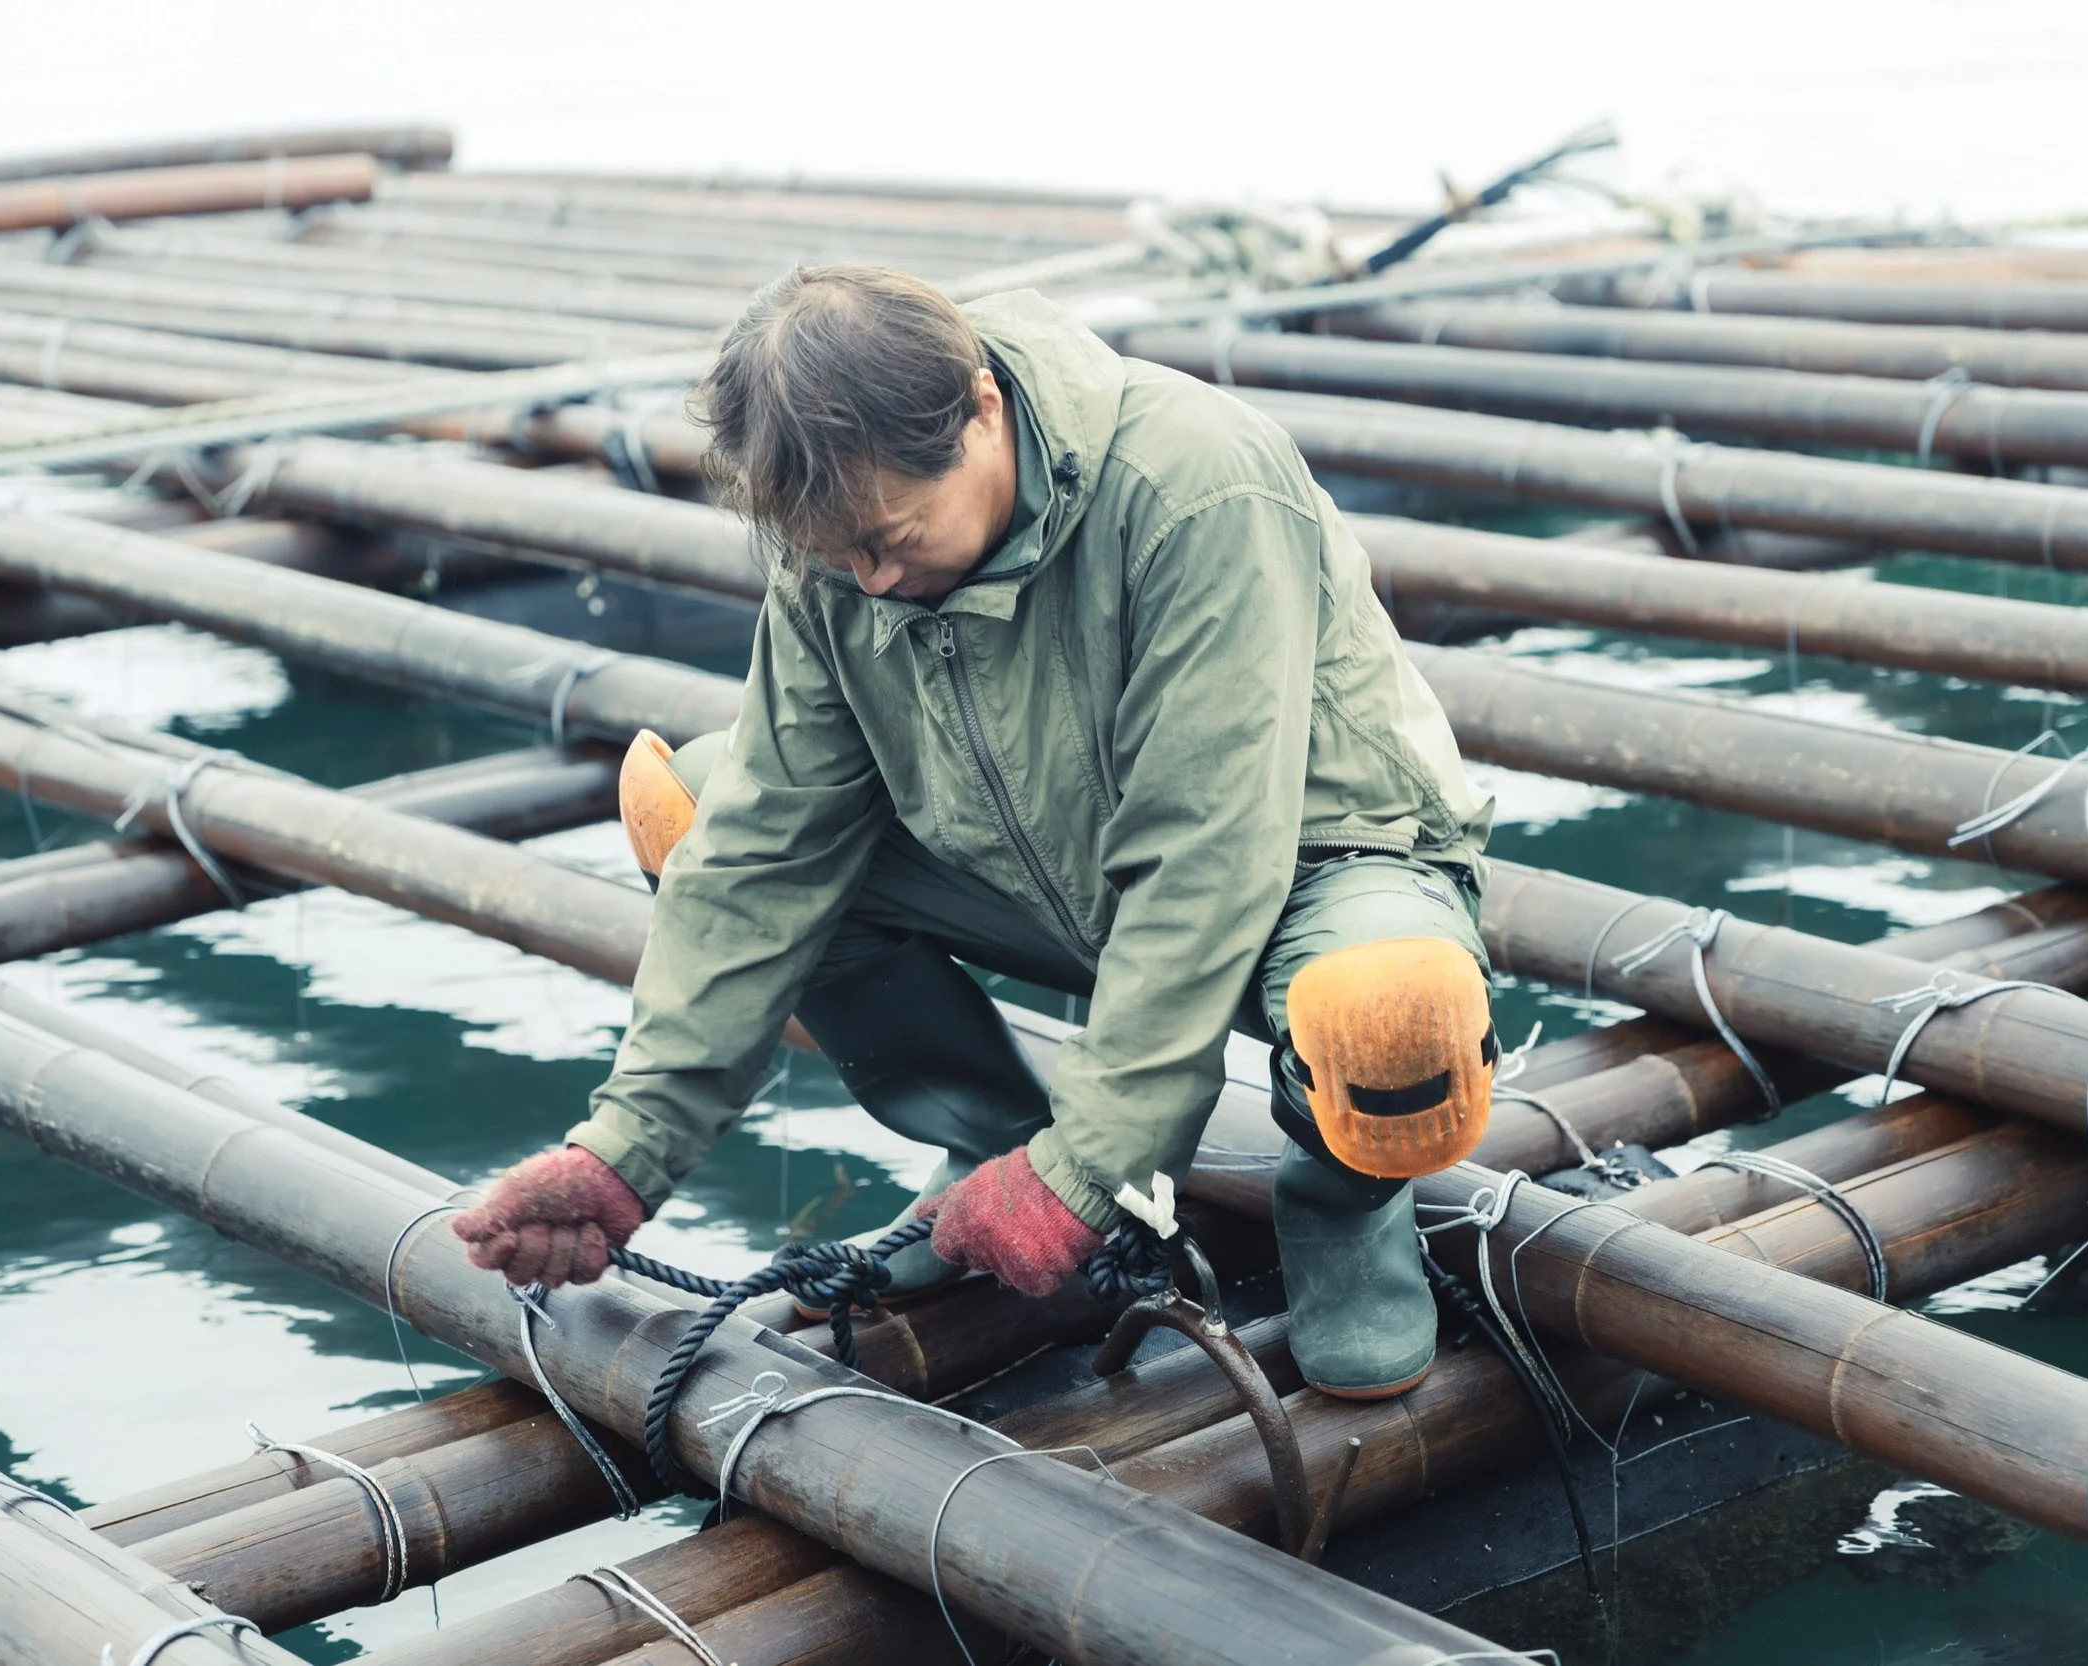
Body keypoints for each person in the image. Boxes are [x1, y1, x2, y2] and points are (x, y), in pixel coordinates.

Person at [452, 265, 1497, 1399]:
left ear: (983, 409)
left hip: (1316, 861)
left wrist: (1090, 1170)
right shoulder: (844, 544)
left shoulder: (1199, 485)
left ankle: (1342, 1204)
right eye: (837, 556)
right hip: (1056, 874)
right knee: (695, 808)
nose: (870, 578)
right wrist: (625, 1151)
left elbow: (1204, 854)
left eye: (890, 538)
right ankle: (991, 1144)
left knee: (1394, 1011)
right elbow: (763, 851)